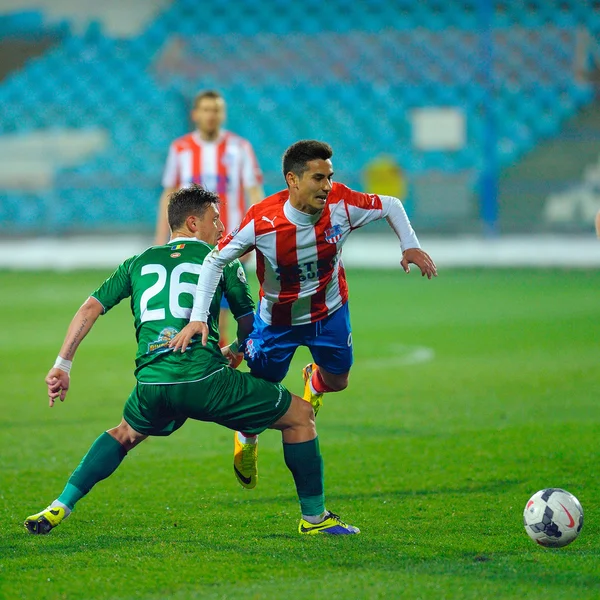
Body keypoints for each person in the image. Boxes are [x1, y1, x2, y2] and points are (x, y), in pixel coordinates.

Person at [24, 186, 359, 537]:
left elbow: (90, 307)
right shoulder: (221, 260)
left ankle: (59, 505)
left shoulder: (137, 262)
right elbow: (251, 330)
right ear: (193, 222)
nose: (222, 226)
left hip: (152, 383)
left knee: (124, 433)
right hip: (203, 381)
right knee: (301, 417)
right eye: (216, 219)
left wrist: (63, 364)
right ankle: (315, 518)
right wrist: (234, 352)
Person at [169, 140, 437, 489]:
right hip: (277, 324)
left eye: (329, 177)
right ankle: (246, 440)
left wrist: (409, 245)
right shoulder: (262, 219)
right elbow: (214, 259)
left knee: (338, 381)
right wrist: (200, 317)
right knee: (263, 393)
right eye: (317, 178)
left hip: (329, 314)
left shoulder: (342, 202)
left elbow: (391, 204)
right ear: (292, 180)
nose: (326, 186)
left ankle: (314, 381)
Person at [155, 89, 264, 345]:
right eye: (206, 109)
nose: (211, 115)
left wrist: (255, 233)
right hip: (188, 241)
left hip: (229, 240)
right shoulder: (181, 149)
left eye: (216, 110)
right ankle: (191, 358)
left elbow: (255, 192)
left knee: (223, 312)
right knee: (186, 306)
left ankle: (218, 359)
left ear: (222, 114)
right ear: (195, 114)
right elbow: (168, 195)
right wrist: (161, 238)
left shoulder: (240, 148)